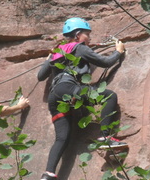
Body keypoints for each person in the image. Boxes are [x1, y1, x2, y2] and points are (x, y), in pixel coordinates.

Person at [37, 17, 127, 180]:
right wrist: (118, 51)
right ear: (78, 35)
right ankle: (106, 137)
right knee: (110, 96)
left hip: (55, 96)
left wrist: (48, 60)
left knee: (62, 138)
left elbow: (40, 76)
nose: (90, 38)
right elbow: (105, 62)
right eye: (87, 34)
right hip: (70, 88)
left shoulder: (56, 52)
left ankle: (48, 174)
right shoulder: (79, 48)